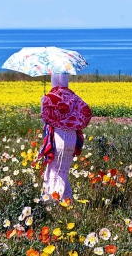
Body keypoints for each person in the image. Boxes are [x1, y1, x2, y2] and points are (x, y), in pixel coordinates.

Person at [35, 73, 92, 202]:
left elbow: (45, 120)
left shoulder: (50, 98)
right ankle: (68, 201)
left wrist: (44, 102)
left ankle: (52, 202)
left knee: (54, 172)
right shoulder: (73, 97)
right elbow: (86, 112)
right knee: (62, 172)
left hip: (58, 138)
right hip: (71, 139)